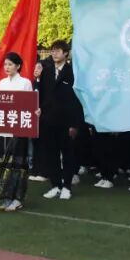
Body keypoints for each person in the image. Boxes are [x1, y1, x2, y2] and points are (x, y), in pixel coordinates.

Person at [0, 52, 38, 211]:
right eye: (5, 64)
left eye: (10, 64)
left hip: (18, 129)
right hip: (2, 129)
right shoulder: (2, 83)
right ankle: (5, 197)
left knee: (17, 165)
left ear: (18, 66)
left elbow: (29, 104)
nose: (7, 67)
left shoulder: (25, 83)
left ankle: (17, 198)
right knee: (2, 163)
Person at [38, 40, 84, 200]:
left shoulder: (73, 73)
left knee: (68, 154)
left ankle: (67, 186)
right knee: (51, 154)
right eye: (53, 50)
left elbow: (77, 100)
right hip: (48, 120)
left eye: (58, 51)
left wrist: (75, 124)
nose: (54, 53)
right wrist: (40, 111)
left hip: (67, 122)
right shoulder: (47, 71)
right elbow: (42, 95)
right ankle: (55, 185)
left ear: (66, 53)